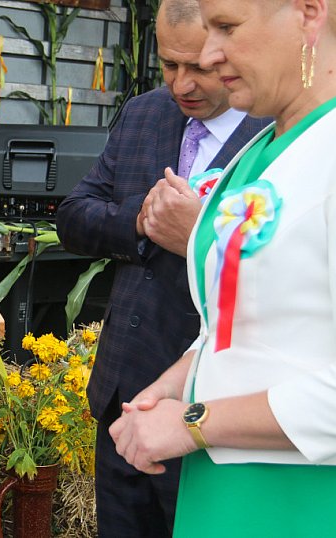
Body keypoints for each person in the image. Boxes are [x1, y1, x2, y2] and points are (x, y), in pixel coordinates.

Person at [109, 0, 336, 534]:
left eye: (228, 28)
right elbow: (249, 320)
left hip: (301, 500)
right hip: (224, 486)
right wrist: (174, 382)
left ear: (309, 13)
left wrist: (193, 423)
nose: (210, 55)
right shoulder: (264, 147)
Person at [55, 1, 268, 535]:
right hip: (122, 394)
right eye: (169, 66)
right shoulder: (145, 114)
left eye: (197, 66)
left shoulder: (274, 136)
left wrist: (198, 234)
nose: (182, 84)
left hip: (215, 405)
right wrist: (146, 224)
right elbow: (75, 217)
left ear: (231, 47)